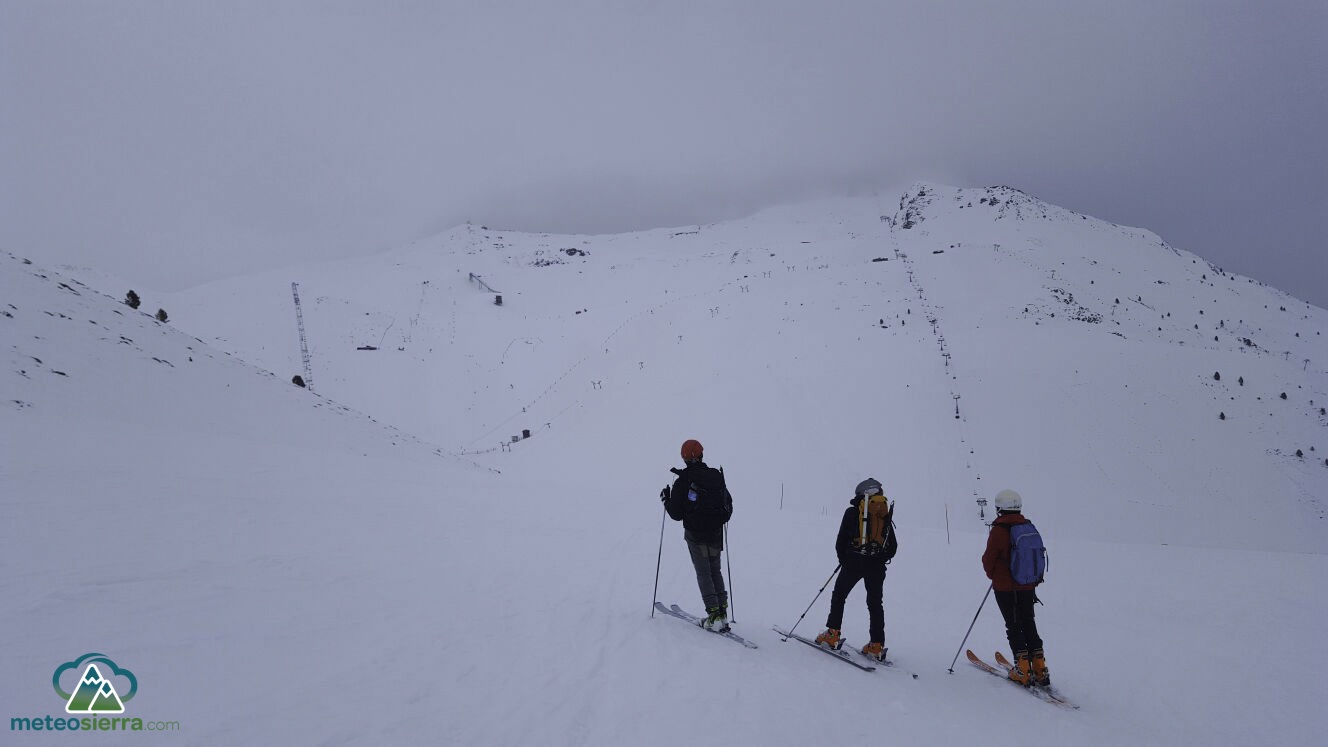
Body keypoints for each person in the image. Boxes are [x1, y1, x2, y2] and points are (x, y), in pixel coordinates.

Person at [815, 478, 895, 660]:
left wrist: (846, 560)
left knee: (840, 595)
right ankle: (876, 645)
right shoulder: (884, 514)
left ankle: (832, 634)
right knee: (875, 603)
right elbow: (893, 547)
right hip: (877, 566)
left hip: (854, 562)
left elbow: (840, 541)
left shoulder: (852, 512)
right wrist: (879, 558)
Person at [662, 439, 733, 631]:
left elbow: (676, 514)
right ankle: (722, 612)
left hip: (696, 534)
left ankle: (714, 615)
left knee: (704, 573)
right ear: (701, 454)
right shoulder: (716, 476)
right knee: (715, 570)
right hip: (716, 532)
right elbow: (728, 501)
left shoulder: (683, 480)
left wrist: (666, 500)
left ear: (684, 458)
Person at [982, 488, 1050, 686]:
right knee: (1029, 622)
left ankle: (1022, 668)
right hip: (1027, 585)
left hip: (1005, 587)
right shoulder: (1028, 527)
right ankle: (1039, 666)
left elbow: (988, 559)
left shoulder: (999, 530)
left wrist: (994, 576)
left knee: (1013, 625)